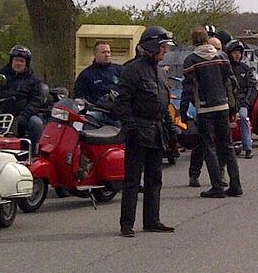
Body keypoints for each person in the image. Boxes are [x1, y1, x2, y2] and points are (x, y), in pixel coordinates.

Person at [115, 26, 176, 237]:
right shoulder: (132, 70)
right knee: (132, 180)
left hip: (157, 131)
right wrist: (131, 128)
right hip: (139, 131)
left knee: (155, 178)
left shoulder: (160, 72)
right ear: (152, 46)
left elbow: (163, 104)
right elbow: (122, 103)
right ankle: (127, 223)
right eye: (163, 46)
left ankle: (152, 220)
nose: (166, 50)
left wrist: (171, 130)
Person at [182, 28, 242, 198]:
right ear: (207, 39)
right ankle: (236, 185)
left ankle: (217, 186)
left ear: (193, 41)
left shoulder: (191, 60)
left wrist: (183, 111)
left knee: (209, 147)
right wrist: (234, 106)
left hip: (205, 108)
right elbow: (232, 82)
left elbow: (188, 88)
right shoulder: (222, 57)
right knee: (227, 145)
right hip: (223, 105)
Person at [0, 46, 48, 148]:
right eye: (16, 60)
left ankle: (32, 152)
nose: (18, 63)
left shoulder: (33, 80)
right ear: (11, 61)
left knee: (36, 123)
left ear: (26, 63)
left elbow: (36, 100)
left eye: (22, 61)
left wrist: (23, 116)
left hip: (23, 116)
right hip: (1, 114)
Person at [225, 39, 256, 157]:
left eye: (239, 52)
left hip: (242, 102)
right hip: (227, 102)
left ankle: (248, 148)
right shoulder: (225, 69)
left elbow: (251, 87)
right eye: (234, 53)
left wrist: (246, 102)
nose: (237, 55)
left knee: (243, 117)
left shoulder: (245, 69)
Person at [74, 41, 122, 109]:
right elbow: (79, 97)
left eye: (108, 52)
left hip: (119, 109)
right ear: (95, 54)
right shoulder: (86, 75)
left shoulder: (120, 70)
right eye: (103, 52)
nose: (107, 55)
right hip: (97, 110)